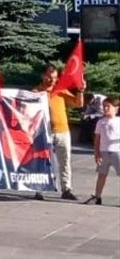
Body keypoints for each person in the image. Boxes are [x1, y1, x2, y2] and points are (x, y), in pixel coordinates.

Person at [34, 64, 82, 201]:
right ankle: (39, 189)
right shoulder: (36, 92)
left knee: (65, 161)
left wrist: (81, 90)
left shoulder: (61, 90)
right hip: (44, 132)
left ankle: (66, 189)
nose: (52, 80)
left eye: (55, 77)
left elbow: (78, 104)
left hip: (62, 131)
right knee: (42, 162)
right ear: (43, 76)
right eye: (49, 77)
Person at [83, 95, 119, 206]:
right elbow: (97, 139)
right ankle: (97, 196)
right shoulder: (101, 122)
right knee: (101, 175)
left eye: (108, 106)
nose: (105, 108)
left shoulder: (118, 121)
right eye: (104, 106)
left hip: (117, 152)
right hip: (104, 152)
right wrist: (96, 153)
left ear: (116, 108)